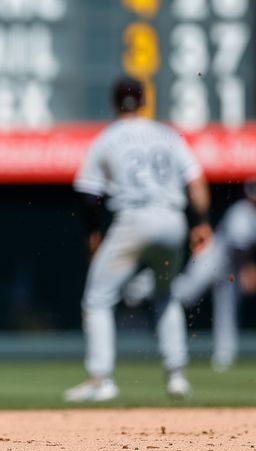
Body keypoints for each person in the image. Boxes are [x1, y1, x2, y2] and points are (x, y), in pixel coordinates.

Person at [63, 76, 212, 402]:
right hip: (172, 220)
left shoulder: (107, 138)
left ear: (115, 103)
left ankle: (101, 379)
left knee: (98, 298)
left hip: (133, 220)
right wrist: (200, 222)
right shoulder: (166, 134)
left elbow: (87, 194)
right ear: (144, 101)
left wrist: (93, 235)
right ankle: (176, 376)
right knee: (165, 294)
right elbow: (196, 180)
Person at [122, 178, 256, 371]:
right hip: (214, 258)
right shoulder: (241, 212)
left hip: (232, 266)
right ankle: (147, 283)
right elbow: (237, 246)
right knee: (186, 294)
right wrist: (248, 269)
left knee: (228, 308)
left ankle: (224, 356)